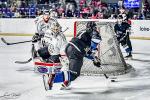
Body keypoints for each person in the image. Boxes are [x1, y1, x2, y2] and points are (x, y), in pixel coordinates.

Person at [46, 21, 102, 90]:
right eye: (94, 28)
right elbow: (87, 50)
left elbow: (85, 51)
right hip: (76, 52)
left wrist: (93, 57)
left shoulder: (83, 31)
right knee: (74, 74)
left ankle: (66, 82)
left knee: (70, 67)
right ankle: (53, 78)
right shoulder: (93, 34)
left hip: (68, 48)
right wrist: (94, 57)